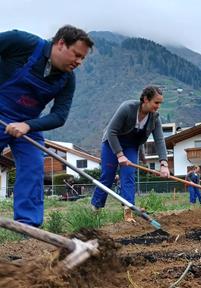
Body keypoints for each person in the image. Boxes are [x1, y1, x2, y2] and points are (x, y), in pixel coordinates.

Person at [0, 26, 93, 226]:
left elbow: (59, 116)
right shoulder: (22, 42)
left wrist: (27, 125)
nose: (79, 62)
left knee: (33, 166)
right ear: (60, 43)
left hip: (28, 124)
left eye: (82, 58)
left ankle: (28, 226)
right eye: (76, 55)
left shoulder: (67, 79)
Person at [91, 86, 170, 222]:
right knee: (108, 176)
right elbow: (111, 132)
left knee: (128, 176)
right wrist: (119, 155)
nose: (158, 107)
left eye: (160, 104)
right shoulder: (127, 108)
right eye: (156, 103)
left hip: (131, 146)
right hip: (112, 143)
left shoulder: (154, 118)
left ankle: (128, 211)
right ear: (145, 99)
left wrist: (164, 163)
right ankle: (95, 209)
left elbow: (159, 140)